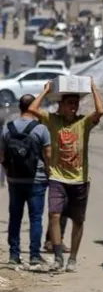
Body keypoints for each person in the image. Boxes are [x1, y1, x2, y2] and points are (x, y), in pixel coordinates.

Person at [29, 79, 103, 272]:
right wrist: (45, 91)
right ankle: (57, 257)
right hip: (57, 177)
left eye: (76, 104)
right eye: (69, 103)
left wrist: (94, 89)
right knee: (54, 215)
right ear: (60, 106)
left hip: (79, 179)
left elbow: (101, 111)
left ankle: (72, 258)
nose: (73, 107)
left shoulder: (84, 123)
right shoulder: (53, 120)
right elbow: (32, 109)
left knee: (78, 221)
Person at [0, 95, 51, 267]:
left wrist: (8, 172)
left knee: (15, 217)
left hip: (14, 179)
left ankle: (14, 255)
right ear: (32, 107)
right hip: (36, 180)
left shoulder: (7, 128)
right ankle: (34, 256)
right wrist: (49, 174)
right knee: (36, 218)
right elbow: (48, 155)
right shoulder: (41, 129)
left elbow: (2, 155)